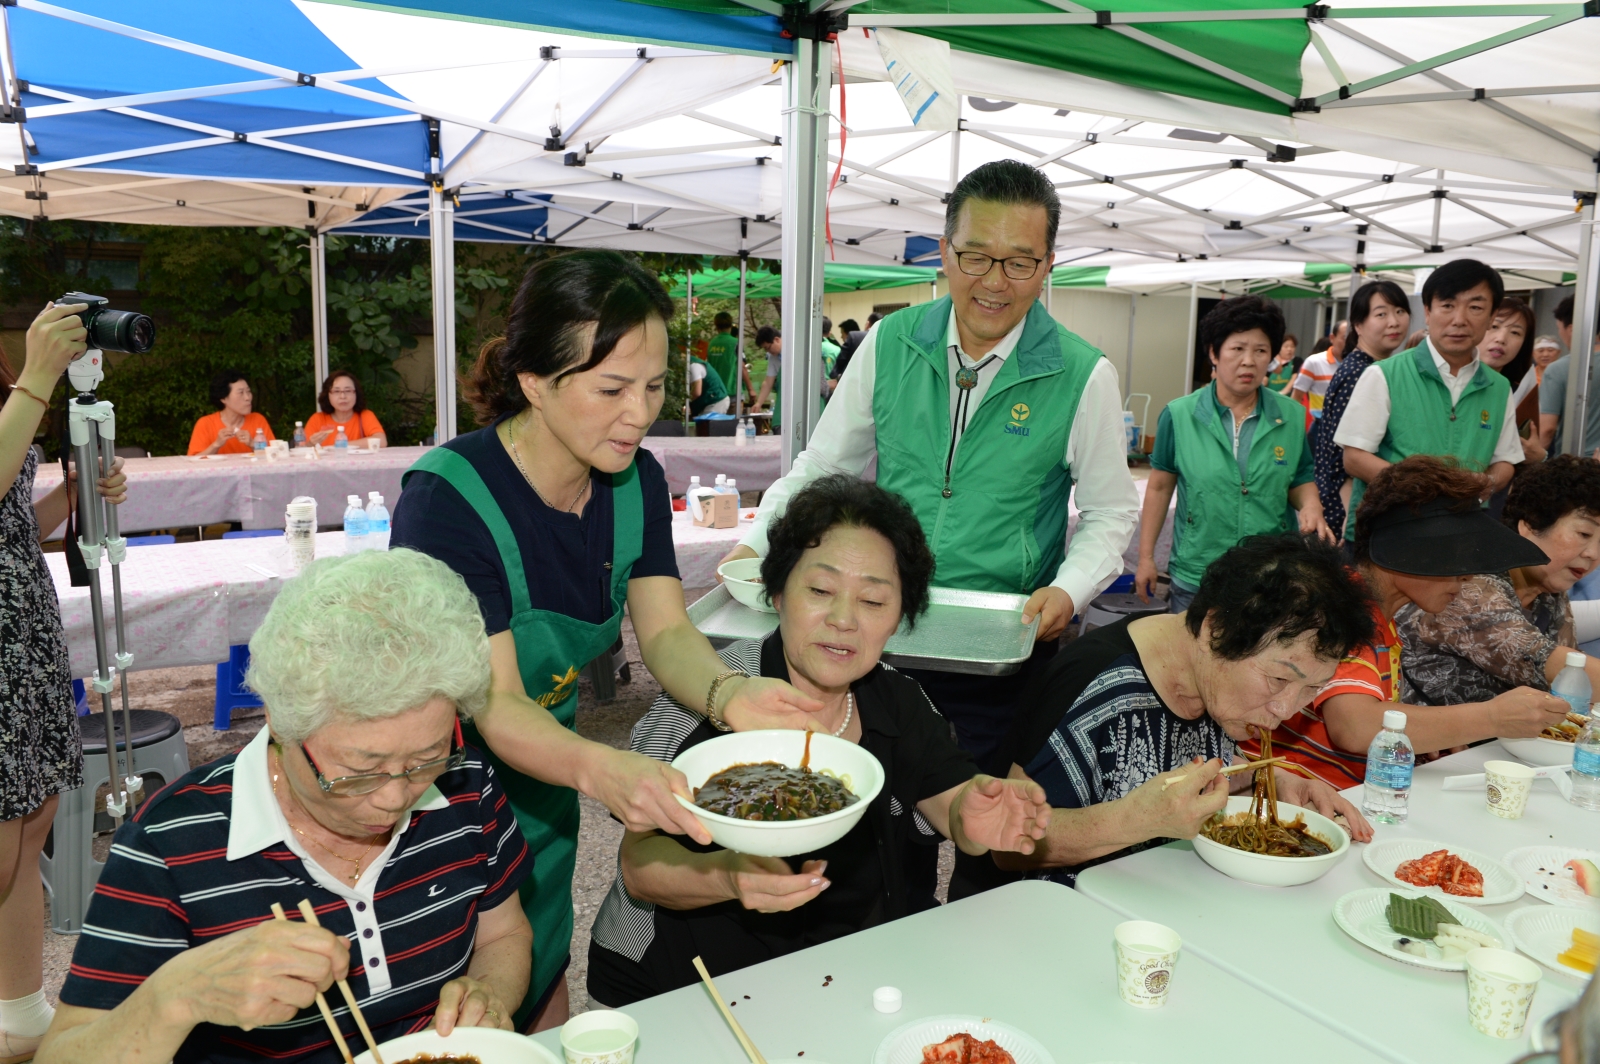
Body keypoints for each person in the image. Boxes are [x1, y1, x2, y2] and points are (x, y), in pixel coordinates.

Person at [391, 249, 819, 1031]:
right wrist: (609, 768)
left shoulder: (635, 482)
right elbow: (496, 703)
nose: (639, 413)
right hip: (431, 804)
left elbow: (664, 631)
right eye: (612, 388)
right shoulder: (448, 501)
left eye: (654, 387)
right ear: (533, 383)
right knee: (456, 1021)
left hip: (547, 789)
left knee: (541, 983)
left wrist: (734, 695)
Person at [721, 159, 1140, 774]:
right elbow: (823, 465)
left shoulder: (1083, 374)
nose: (995, 282)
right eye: (975, 256)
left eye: (1020, 262)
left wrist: (1067, 593)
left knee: (979, 814)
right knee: (869, 807)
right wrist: (756, 543)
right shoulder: (890, 343)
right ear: (944, 253)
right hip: (879, 630)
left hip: (999, 643)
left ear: (1048, 266)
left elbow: (1110, 510)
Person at [39, 549, 535, 1064]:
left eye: (424, 759)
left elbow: (505, 933)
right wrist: (177, 996)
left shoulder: (464, 782)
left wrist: (490, 995)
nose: (394, 798)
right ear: (281, 724)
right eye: (360, 769)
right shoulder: (169, 846)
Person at [585, 476, 1050, 1005]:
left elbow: (953, 802)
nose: (844, 620)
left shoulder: (902, 701)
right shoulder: (705, 695)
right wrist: (728, 879)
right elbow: (638, 867)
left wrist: (977, 814)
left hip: (845, 977)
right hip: (690, 986)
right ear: (777, 593)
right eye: (821, 591)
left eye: (873, 601)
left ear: (899, 618)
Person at [955, 534, 1375, 896]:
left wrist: (1272, 778)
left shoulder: (1216, 686)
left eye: (1314, 688)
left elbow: (1183, 760)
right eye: (1279, 680)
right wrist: (1135, 820)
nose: (1285, 710)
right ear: (1216, 630)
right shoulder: (1095, 682)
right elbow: (1004, 849)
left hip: (1153, 900)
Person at [1242, 456, 1572, 787]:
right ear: (1407, 550)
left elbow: (1374, 719)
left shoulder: (1384, 619)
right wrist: (1492, 718)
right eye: (1455, 554)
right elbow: (1354, 727)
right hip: (1282, 797)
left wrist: (1425, 735)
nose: (1469, 574)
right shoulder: (1339, 608)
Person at [0, 301, 126, 1062]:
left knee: (31, 826)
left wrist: (74, 497)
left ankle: (20, 1010)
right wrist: (41, 377)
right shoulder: (26, 384)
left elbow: (11, 516)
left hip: (22, 641)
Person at [1135, 296, 1329, 615]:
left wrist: (1311, 505)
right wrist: (1145, 558)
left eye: (1261, 350)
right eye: (1237, 349)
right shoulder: (1179, 415)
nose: (1249, 361)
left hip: (1270, 575)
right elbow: (1158, 487)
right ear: (1214, 352)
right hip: (1199, 573)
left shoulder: (1292, 416)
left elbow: (1300, 477)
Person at [1335, 258, 1523, 540]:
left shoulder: (1498, 387)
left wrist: (1487, 482)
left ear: (1491, 315)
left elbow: (1506, 460)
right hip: (1389, 535)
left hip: (1463, 532)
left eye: (1475, 307)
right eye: (1447, 305)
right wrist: (1428, 490)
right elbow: (1355, 458)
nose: (1459, 319)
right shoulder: (1384, 374)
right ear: (1428, 311)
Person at [1399, 453, 1600, 705]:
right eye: (1584, 533)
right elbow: (1552, 665)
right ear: (1529, 524)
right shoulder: (1471, 584)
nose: (1593, 554)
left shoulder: (1549, 594)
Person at [1312, 280, 1412, 537]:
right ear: (1358, 325)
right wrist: (1346, 514)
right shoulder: (1361, 371)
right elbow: (1345, 454)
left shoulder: (1369, 367)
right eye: (1381, 314)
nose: (1394, 322)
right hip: (1345, 506)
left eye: (1400, 311)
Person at [1479, 297, 1544, 472]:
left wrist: (1539, 457)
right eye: (1494, 327)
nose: (1501, 339)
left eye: (1515, 332)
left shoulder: (1521, 393)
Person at [1539, 293, 1600, 453]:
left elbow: (1547, 430)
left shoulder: (1559, 369)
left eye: (1559, 328)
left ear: (1572, 329)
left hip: (1577, 465)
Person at [187, 370, 274, 456]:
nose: (248, 398)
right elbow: (193, 462)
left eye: (248, 391)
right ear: (223, 398)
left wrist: (252, 444)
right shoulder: (205, 424)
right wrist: (216, 445)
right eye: (240, 393)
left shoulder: (258, 420)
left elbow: (274, 455)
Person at [303, 369, 387, 449]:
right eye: (336, 391)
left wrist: (341, 445)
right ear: (327, 395)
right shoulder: (317, 419)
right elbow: (301, 450)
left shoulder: (365, 415)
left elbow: (382, 441)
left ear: (356, 394)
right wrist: (310, 444)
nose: (343, 396)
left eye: (348, 391)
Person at [1290, 319, 1348, 419]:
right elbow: (1296, 396)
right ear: (1332, 338)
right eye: (1344, 338)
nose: (1349, 343)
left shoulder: (1359, 365)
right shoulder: (1314, 362)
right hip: (1320, 425)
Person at [705, 311, 753, 404]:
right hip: (733, 392)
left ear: (716, 326)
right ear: (731, 325)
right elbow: (742, 367)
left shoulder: (711, 344)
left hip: (716, 393)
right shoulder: (735, 342)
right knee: (734, 419)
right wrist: (750, 389)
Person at [752, 325, 782, 430]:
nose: (768, 352)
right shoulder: (773, 357)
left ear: (777, 340)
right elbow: (768, 382)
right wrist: (759, 403)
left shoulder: (794, 348)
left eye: (768, 348)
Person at [687, 348, 731, 417]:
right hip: (706, 401)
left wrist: (683, 403)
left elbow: (696, 392)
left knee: (708, 426)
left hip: (715, 401)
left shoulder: (694, 366)